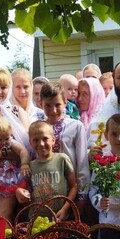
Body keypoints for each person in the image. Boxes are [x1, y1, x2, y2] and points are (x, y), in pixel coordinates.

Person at [39, 82, 90, 211]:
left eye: (57, 105)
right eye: (48, 106)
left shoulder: (76, 126)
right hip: (45, 188)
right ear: (41, 104)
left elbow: (82, 161)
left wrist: (82, 194)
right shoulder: (37, 127)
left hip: (71, 188)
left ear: (65, 102)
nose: (53, 110)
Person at [15, 121, 77, 221]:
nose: (41, 144)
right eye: (35, 140)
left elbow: (74, 186)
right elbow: (25, 189)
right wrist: (19, 192)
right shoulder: (30, 165)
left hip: (59, 217)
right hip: (36, 219)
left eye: (45, 139)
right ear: (30, 142)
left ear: (53, 140)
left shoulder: (62, 159)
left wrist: (65, 209)